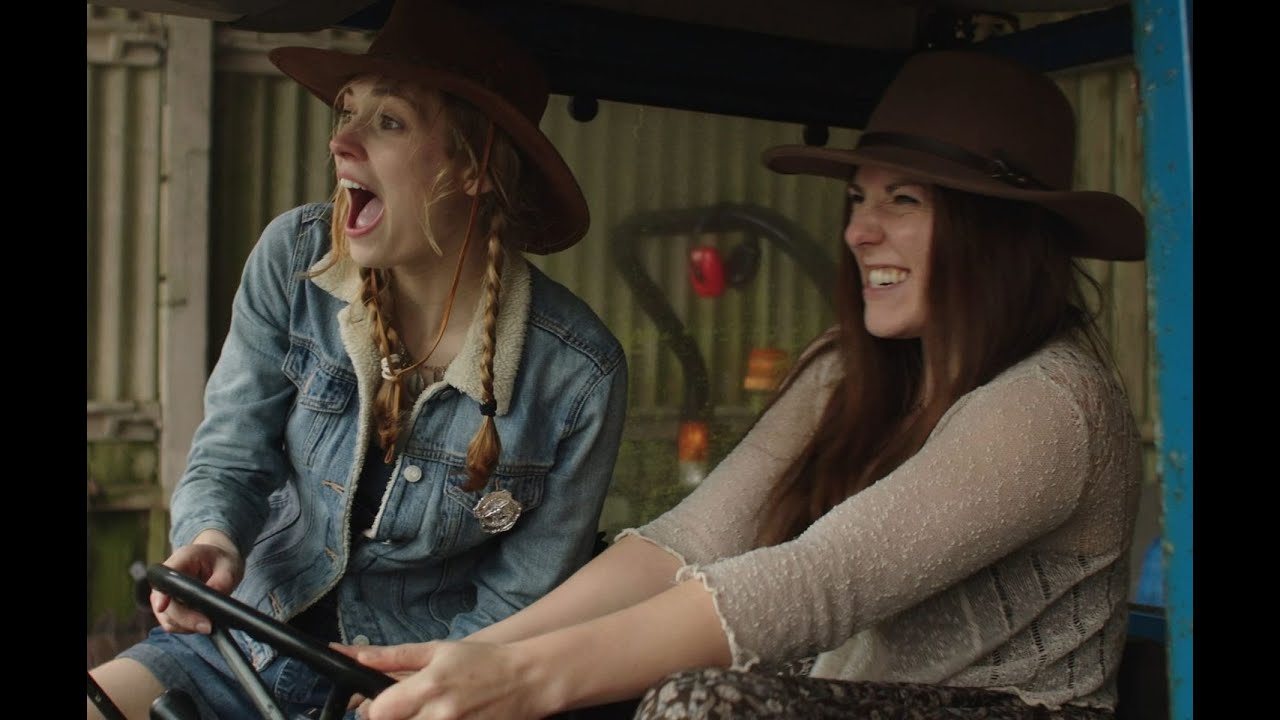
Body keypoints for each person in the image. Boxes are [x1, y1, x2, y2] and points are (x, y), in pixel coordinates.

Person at [340, 49, 1147, 720]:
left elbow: (818, 581)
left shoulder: (1056, 402)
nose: (859, 231)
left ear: (999, 230)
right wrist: (476, 653)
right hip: (845, 695)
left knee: (699, 701)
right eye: (858, 199)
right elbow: (692, 542)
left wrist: (529, 680)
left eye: (902, 202)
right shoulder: (850, 369)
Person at [87, 1, 629, 717]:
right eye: (347, 110)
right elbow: (231, 451)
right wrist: (213, 537)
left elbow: (521, 601)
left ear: (474, 168)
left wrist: (407, 700)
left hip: (407, 688)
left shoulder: (579, 375)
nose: (340, 140)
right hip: (239, 646)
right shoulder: (294, 259)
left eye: (389, 121)